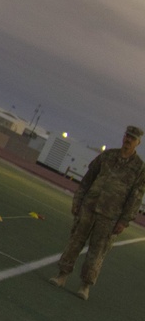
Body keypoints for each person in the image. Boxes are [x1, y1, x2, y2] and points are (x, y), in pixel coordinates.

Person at [49, 125, 145, 299]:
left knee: (97, 251)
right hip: (89, 208)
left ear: (138, 143)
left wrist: (124, 220)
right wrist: (78, 201)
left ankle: (85, 286)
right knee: (75, 242)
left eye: (132, 138)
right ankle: (62, 275)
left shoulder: (139, 168)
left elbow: (135, 197)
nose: (128, 140)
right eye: (126, 136)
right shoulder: (107, 156)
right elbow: (88, 179)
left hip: (110, 216)